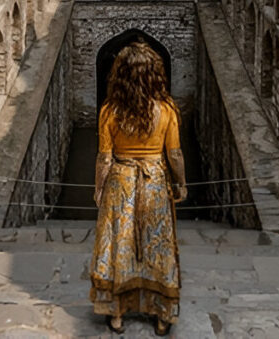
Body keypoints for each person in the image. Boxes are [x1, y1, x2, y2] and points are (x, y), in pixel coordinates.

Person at [90, 40, 187, 336]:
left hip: (121, 181)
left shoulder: (110, 111)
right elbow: (175, 154)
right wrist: (181, 183)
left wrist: (98, 188)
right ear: (155, 75)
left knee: (120, 245)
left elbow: (105, 157)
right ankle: (160, 314)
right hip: (154, 181)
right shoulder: (167, 110)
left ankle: (117, 314)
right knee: (156, 245)